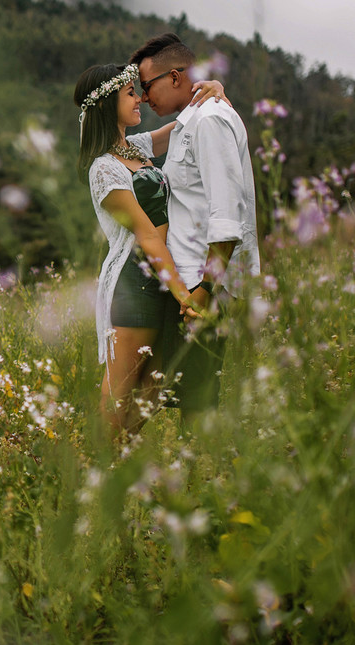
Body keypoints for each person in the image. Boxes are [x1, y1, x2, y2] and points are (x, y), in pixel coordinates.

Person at [73, 62, 227, 439]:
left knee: (155, 387)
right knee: (120, 392)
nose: (140, 97)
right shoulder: (103, 169)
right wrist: (186, 297)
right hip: (133, 282)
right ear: (107, 104)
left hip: (164, 276)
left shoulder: (136, 146)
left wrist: (213, 94)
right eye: (130, 93)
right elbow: (146, 235)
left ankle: (119, 469)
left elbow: (187, 128)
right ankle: (99, 475)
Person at [130, 33, 261, 426]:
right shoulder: (190, 123)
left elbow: (227, 215)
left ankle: (205, 483)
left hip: (208, 288)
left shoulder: (210, 121)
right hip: (190, 285)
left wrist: (205, 291)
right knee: (186, 403)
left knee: (200, 410)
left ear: (174, 77)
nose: (144, 96)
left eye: (146, 85)